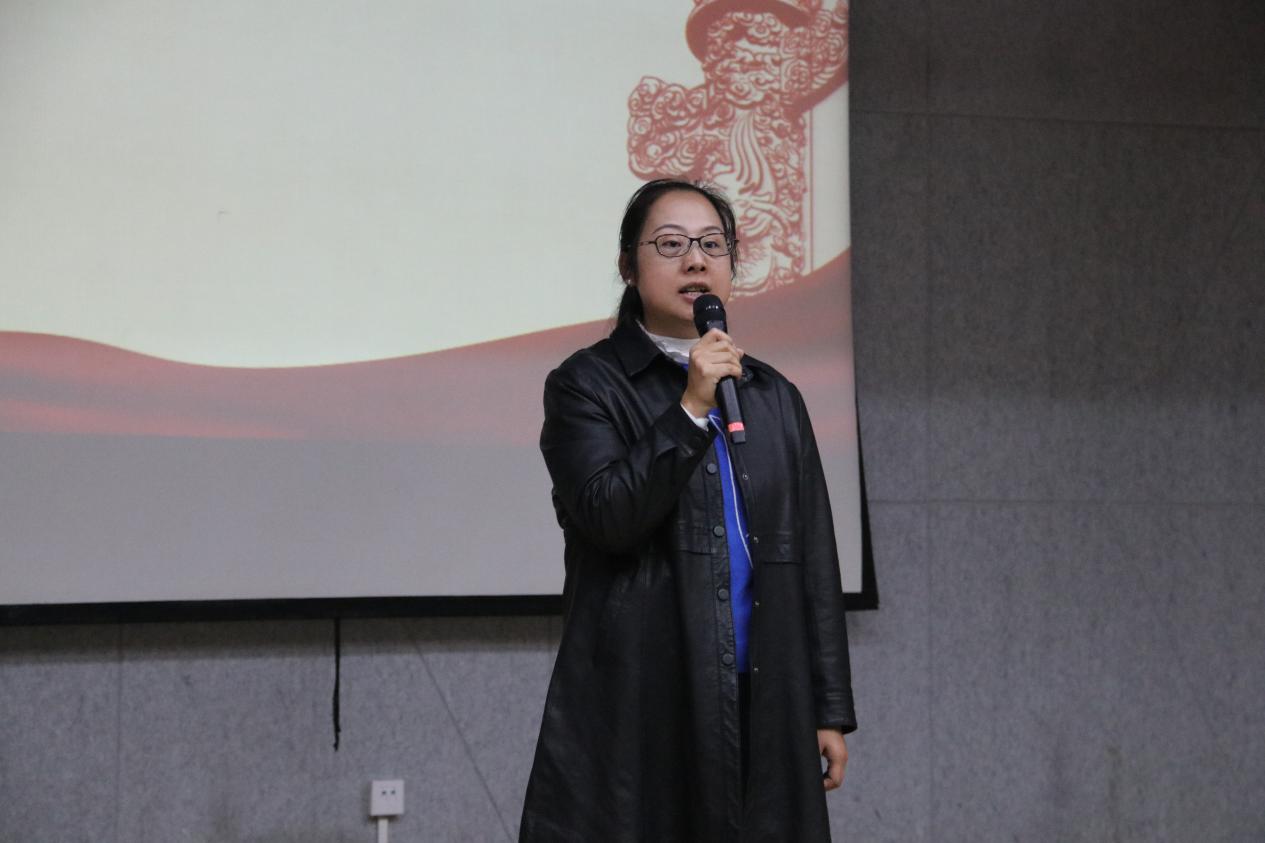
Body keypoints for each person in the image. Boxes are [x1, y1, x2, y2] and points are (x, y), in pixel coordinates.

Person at [520, 179, 856, 842]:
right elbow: (608, 518)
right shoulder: (585, 385)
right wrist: (690, 408)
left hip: (767, 697)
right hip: (646, 697)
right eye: (671, 245)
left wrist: (827, 707)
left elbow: (811, 553)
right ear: (628, 265)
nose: (696, 260)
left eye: (711, 245)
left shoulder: (772, 394)